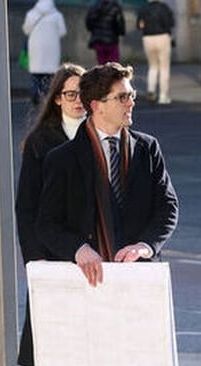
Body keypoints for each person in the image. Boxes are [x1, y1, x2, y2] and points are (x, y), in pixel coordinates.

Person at [36, 62, 178, 286]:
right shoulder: (62, 159)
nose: (131, 103)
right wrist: (78, 249)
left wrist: (145, 246)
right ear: (97, 106)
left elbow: (168, 207)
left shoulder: (148, 148)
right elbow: (47, 224)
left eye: (131, 95)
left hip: (139, 276)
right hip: (86, 280)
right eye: (122, 97)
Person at [15, 62, 86, 366]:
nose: (78, 100)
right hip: (51, 247)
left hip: (92, 247)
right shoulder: (40, 141)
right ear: (57, 98)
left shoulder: (101, 133)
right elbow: (26, 205)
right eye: (70, 94)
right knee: (53, 331)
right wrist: (33, 257)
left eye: (83, 93)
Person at [22, 0, 67, 107]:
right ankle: (48, 99)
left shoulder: (31, 14)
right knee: (50, 77)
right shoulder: (57, 15)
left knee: (36, 76)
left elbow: (26, 30)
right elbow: (62, 31)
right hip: (52, 49)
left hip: (36, 48)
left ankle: (35, 97)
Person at [137, 0, 175, 104]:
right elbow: (170, 23)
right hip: (163, 37)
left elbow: (139, 25)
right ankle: (163, 96)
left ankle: (151, 90)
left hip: (147, 38)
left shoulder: (143, 9)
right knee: (164, 68)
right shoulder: (164, 8)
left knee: (153, 66)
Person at [85, 0, 125, 65]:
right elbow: (120, 24)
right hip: (112, 41)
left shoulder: (94, 6)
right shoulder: (115, 6)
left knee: (102, 65)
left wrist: (95, 32)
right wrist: (120, 32)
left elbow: (88, 24)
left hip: (98, 41)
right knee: (114, 66)